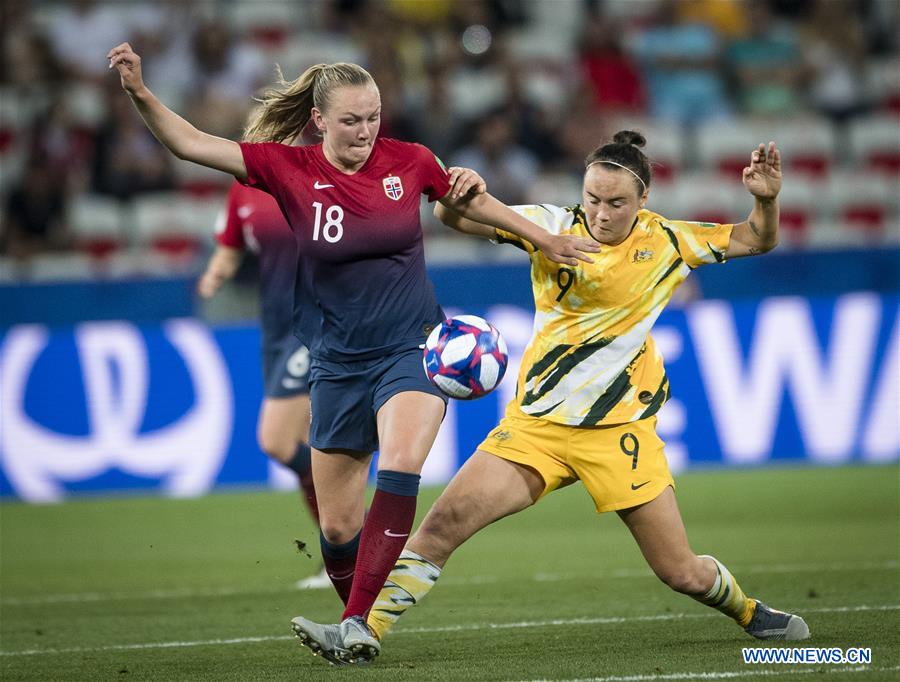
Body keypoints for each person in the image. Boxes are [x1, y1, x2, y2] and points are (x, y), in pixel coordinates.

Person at [107, 42, 599, 662]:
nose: (366, 131)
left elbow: (463, 200)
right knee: (338, 531)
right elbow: (191, 144)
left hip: (413, 348)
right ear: (319, 120)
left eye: (373, 116)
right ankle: (356, 622)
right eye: (350, 120)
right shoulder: (286, 168)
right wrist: (140, 94)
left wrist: (541, 238)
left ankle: (359, 623)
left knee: (400, 464)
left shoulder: (411, 161)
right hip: (336, 363)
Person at [292, 131, 810, 665]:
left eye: (616, 203)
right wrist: (461, 195)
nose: (601, 214)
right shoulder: (550, 225)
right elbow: (457, 219)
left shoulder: (669, 242)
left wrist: (765, 201)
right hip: (535, 429)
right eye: (592, 198)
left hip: (618, 433)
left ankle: (749, 612)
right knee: (441, 527)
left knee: (679, 570)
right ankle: (362, 631)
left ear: (644, 201)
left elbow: (756, 239)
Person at [197, 176, 328, 590]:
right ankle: (344, 555)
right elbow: (231, 245)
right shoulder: (243, 189)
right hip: (273, 327)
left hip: (315, 321)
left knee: (275, 439)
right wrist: (216, 273)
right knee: (316, 443)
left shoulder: (315, 173)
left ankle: (356, 536)